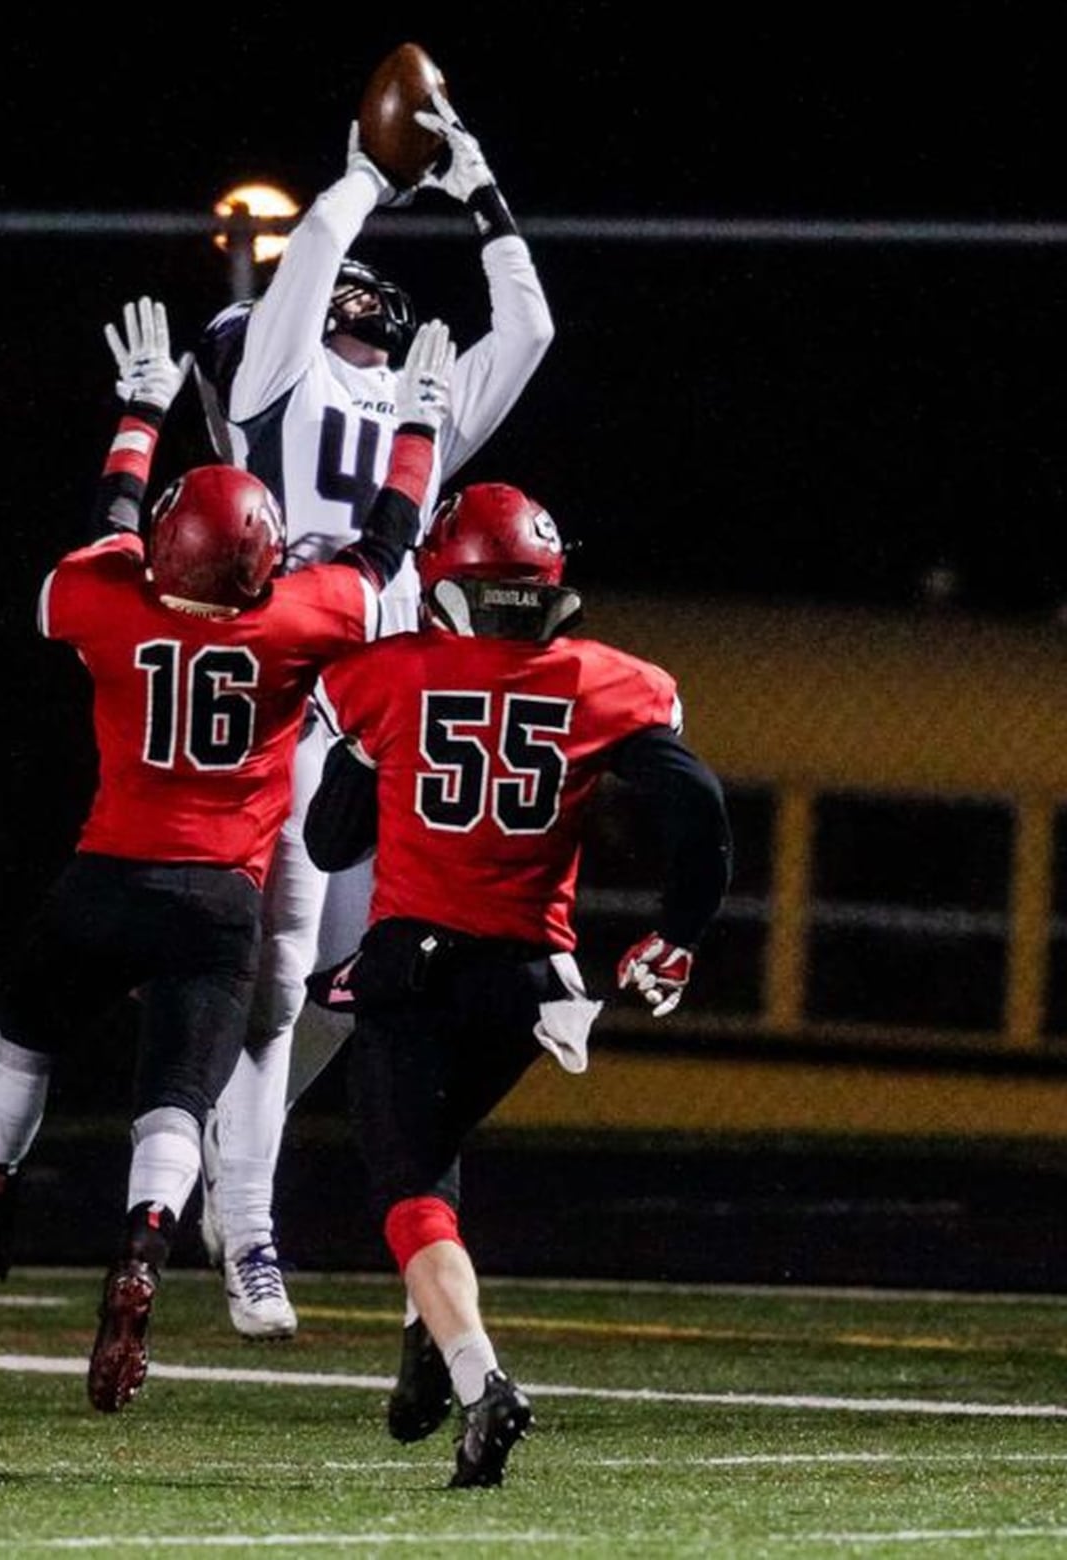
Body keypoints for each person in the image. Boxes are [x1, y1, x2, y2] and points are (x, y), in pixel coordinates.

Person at [0, 296, 456, 1414]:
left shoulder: (108, 605)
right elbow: (381, 548)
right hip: (215, 902)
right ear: (265, 562)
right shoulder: (296, 619)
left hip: (101, 880)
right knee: (172, 1104)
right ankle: (141, 1254)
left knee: (24, 1047)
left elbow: (107, 524)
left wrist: (139, 411)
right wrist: (415, 428)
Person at [191, 89, 555, 1340]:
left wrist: (468, 186)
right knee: (283, 982)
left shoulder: (415, 408)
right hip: (297, 701)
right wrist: (393, 180)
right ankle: (249, 1228)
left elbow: (531, 327)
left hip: (381, 720)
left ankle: (242, 1148)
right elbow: (298, 297)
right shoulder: (269, 387)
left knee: (347, 990)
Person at [301, 481, 734, 1486]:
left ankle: (478, 1377)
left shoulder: (390, 675)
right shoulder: (600, 681)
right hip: (533, 987)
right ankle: (422, 1350)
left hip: (414, 970)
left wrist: (372, 753)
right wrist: (677, 934)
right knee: (434, 1158)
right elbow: (699, 806)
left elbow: (330, 844)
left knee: (410, 1190)